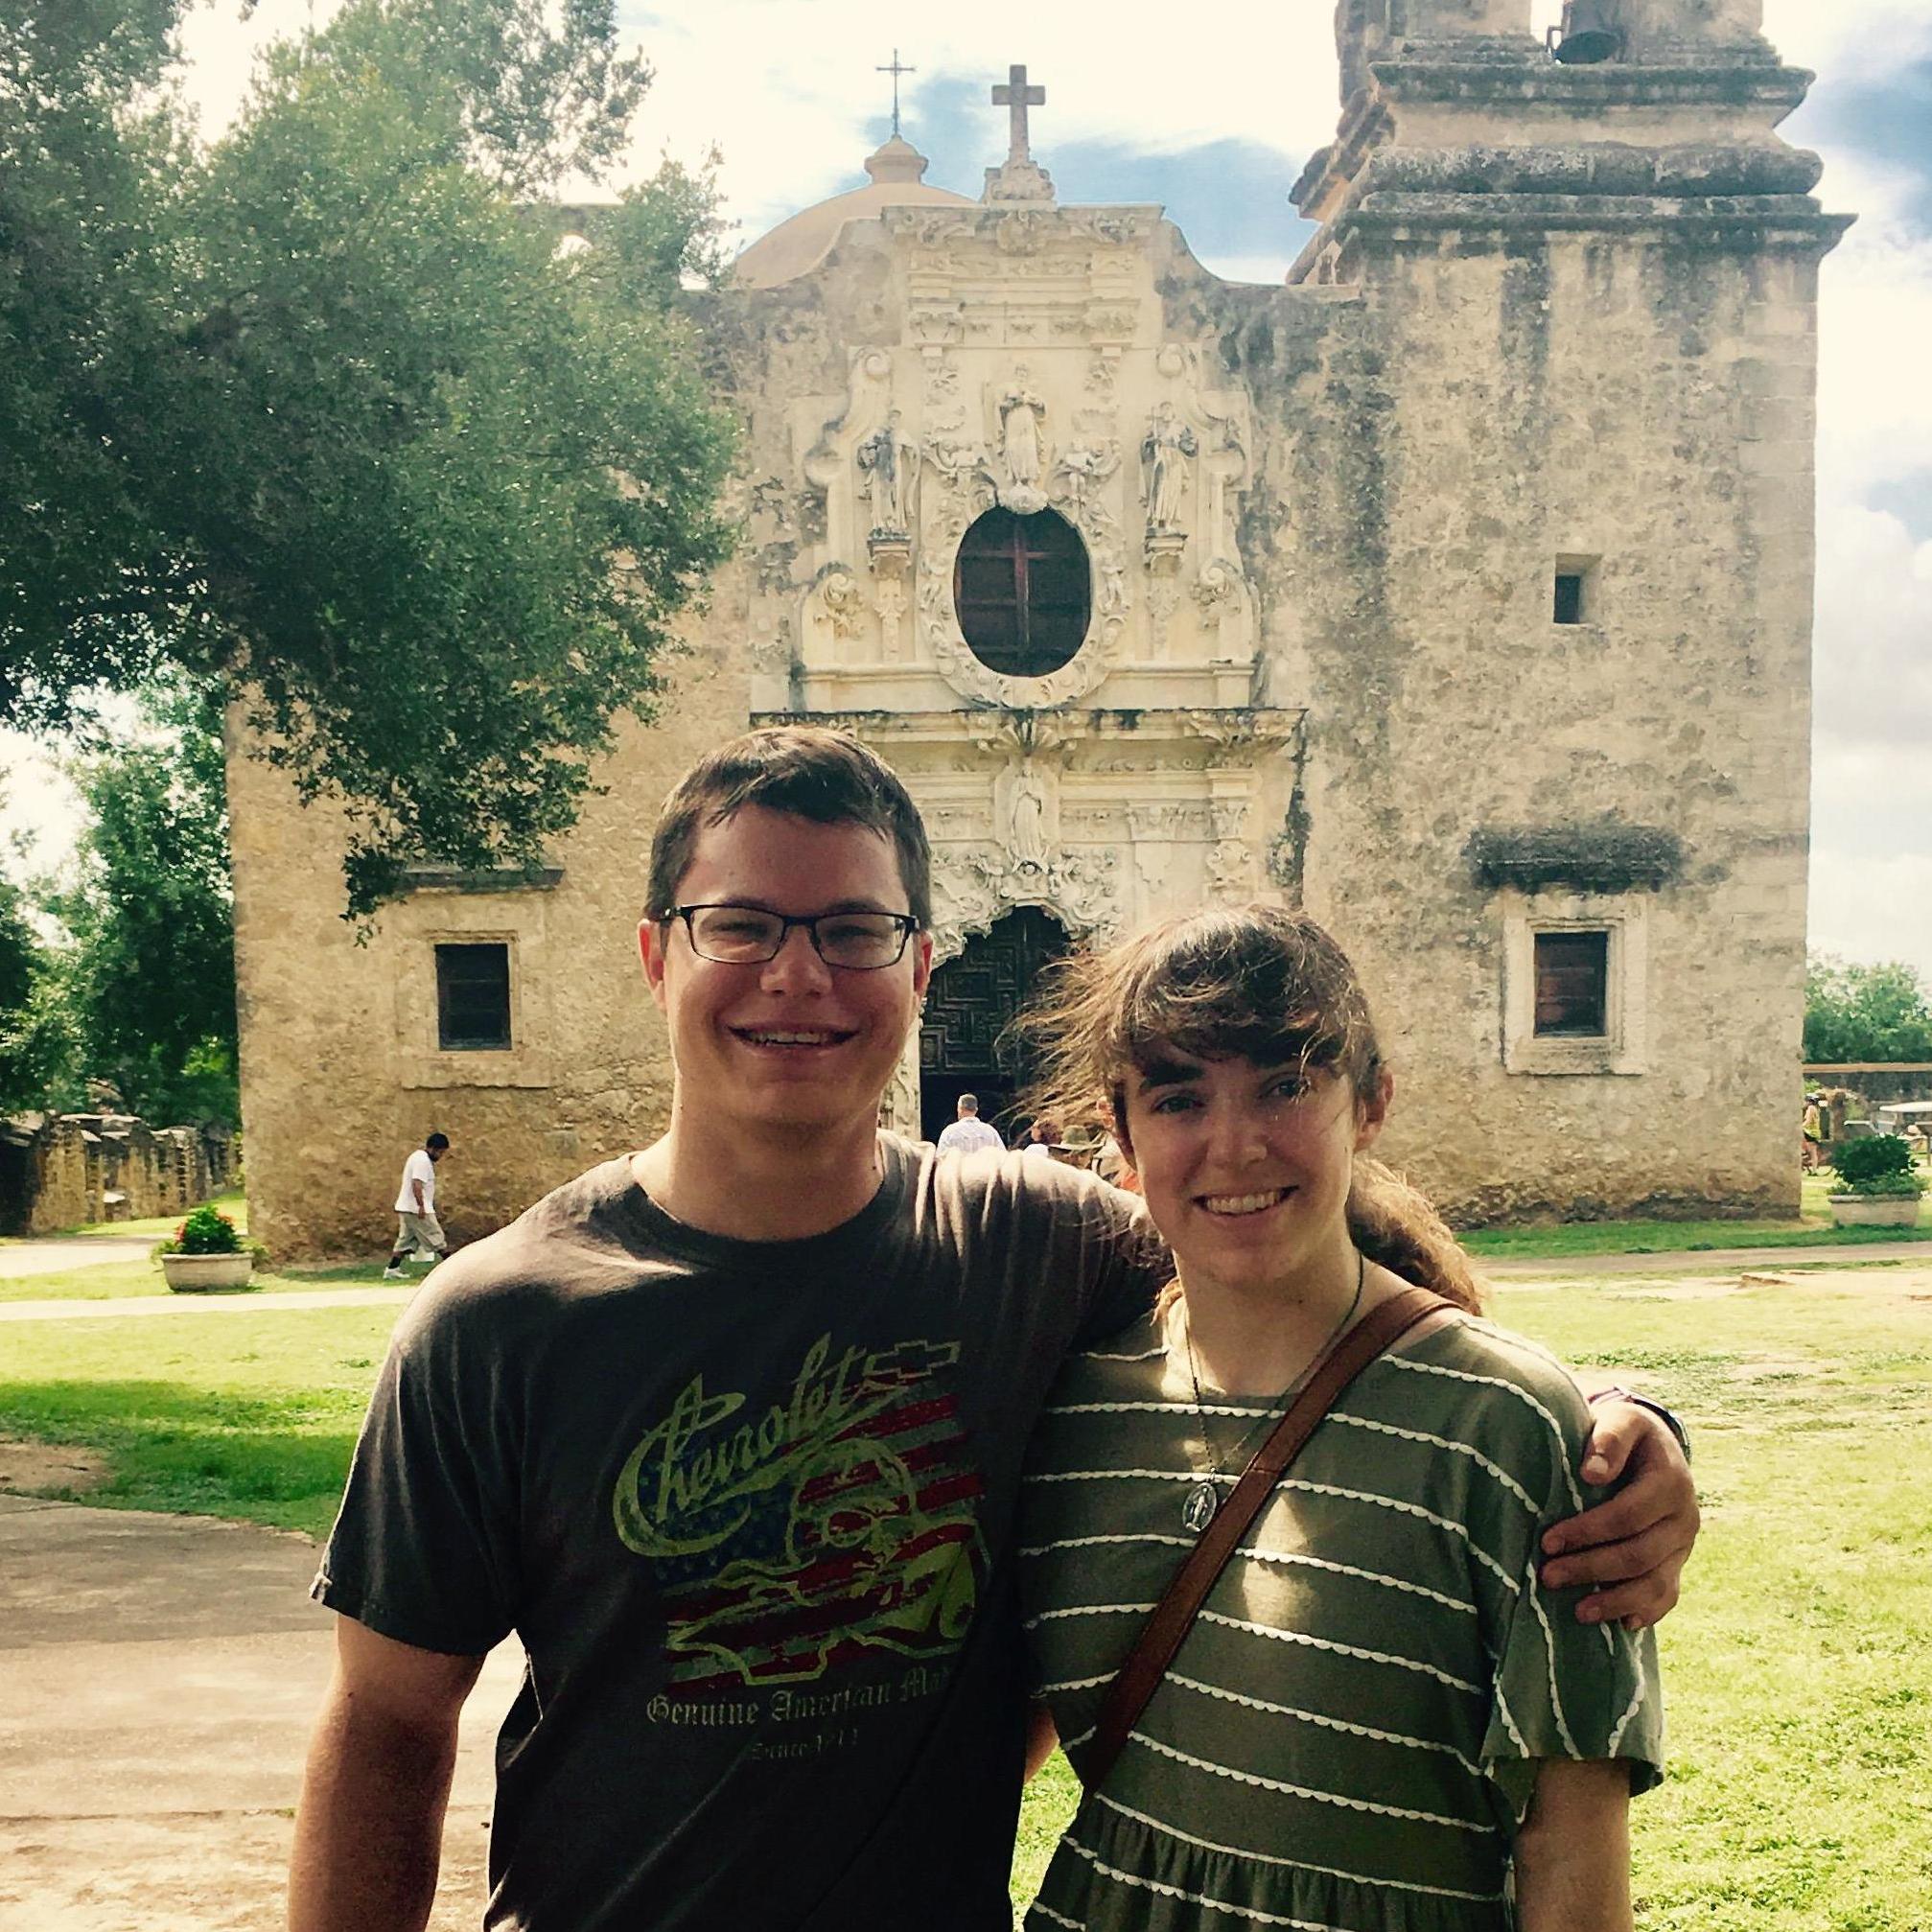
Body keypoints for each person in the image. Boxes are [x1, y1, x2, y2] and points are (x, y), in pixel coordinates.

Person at [290, 727, 1697, 1932]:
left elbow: (1287, 1251)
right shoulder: (496, 1316)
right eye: (742, 924)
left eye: (852, 928)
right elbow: (388, 1724)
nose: (798, 974)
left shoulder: (1026, 1246)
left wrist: (1614, 1426)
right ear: (658, 953)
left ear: (916, 967)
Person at [1016, 906, 1665, 1931]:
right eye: (1179, 1095)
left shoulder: (1503, 1423)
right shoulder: (1072, 1409)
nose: (1232, 1144)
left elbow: (1568, 1829)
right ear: (1123, 1135)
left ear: (1368, 1102)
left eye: (1285, 1083)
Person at [383, 1132, 449, 1279]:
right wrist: (421, 1206)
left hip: (407, 1207)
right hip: (416, 1208)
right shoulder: (422, 1161)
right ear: (432, 1148)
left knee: (406, 1240)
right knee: (436, 1237)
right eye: (440, 1152)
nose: (440, 1156)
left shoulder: (418, 1157)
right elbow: (417, 1184)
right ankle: (451, 1268)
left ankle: (392, 1269)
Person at [936, 1091, 1006, 1155]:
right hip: (985, 1168)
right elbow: (1002, 1156)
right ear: (976, 1110)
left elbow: (941, 1158)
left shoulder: (949, 1132)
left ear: (959, 1109)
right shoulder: (990, 1131)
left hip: (959, 1168)